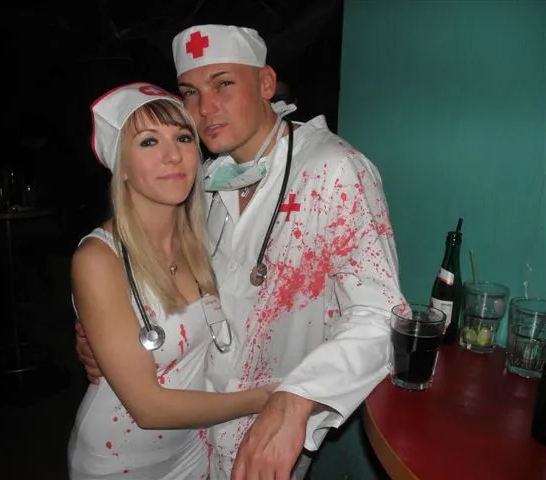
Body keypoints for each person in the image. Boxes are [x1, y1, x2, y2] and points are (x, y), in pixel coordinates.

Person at [77, 25, 405, 479]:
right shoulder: (203, 183)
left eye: (224, 84)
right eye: (190, 92)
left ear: (266, 83)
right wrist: (106, 337)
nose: (205, 108)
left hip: (266, 436)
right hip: (195, 431)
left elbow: (382, 316)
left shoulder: (334, 171)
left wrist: (296, 398)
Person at [68, 82, 276, 480]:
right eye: (149, 142)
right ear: (120, 166)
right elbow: (148, 408)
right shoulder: (99, 259)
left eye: (183, 137)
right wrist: (268, 398)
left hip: (194, 451)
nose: (173, 155)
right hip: (118, 464)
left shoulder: (210, 235)